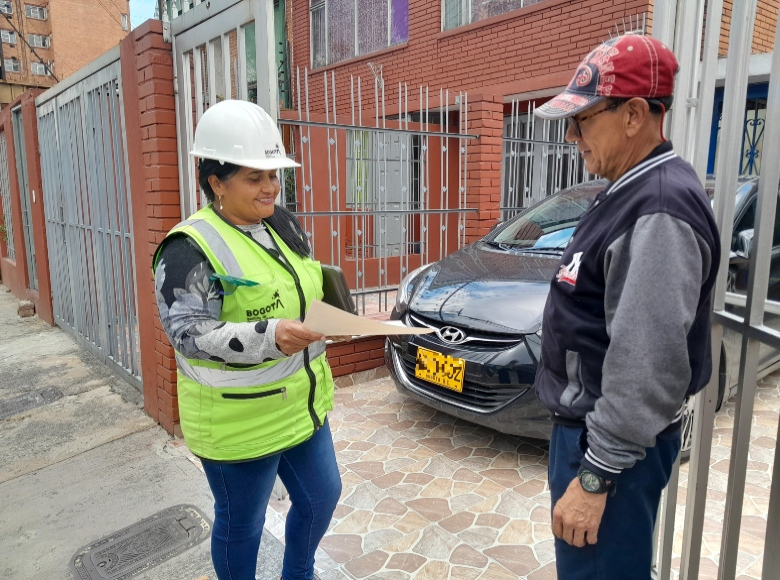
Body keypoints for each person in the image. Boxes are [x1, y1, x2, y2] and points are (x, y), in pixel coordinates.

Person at [532, 35, 720, 578]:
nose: (573, 137)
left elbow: (647, 362)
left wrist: (595, 478)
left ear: (634, 115)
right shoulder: (625, 190)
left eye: (583, 120)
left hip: (609, 456)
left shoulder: (659, 208)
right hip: (592, 438)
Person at [153, 99, 342, 580]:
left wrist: (334, 314)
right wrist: (270, 335)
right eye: (254, 177)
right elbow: (188, 334)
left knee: (322, 498)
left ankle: (298, 574)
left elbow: (301, 283)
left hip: (302, 405)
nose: (270, 187)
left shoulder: (280, 222)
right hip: (239, 424)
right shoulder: (188, 248)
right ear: (216, 181)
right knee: (243, 528)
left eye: (273, 175)